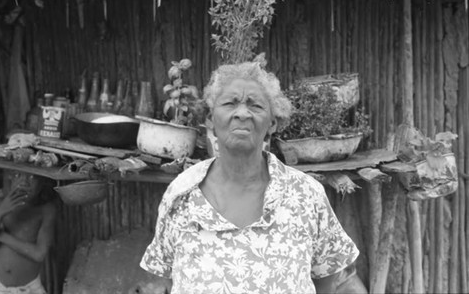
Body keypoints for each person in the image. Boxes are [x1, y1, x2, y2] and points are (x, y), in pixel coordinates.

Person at [140, 61, 359, 293]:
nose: (242, 113)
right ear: (211, 119)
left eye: (255, 105)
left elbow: (327, 276)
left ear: (273, 123)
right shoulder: (181, 194)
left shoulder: (305, 194)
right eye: (230, 103)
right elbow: (162, 276)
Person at [0, 171, 56, 294]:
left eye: (32, 177)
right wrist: (0, 212)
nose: (24, 182)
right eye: (18, 175)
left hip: (30, 289)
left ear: (42, 182)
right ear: (10, 179)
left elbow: (39, 254)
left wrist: (2, 236)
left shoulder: (46, 210)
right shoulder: (0, 203)